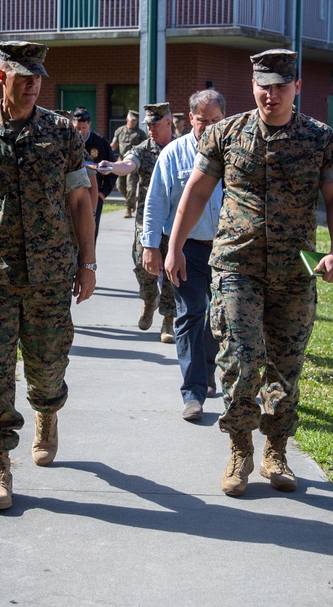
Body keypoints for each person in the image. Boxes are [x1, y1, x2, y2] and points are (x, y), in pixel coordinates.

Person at [164, 49, 333, 497]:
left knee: (285, 368)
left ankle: (276, 450)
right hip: (236, 266)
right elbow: (196, 191)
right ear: (252, 88)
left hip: (294, 272)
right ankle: (240, 448)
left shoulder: (321, 138)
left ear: (297, 88)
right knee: (241, 359)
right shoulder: (226, 133)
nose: (271, 95)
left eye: (281, 87)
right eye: (264, 87)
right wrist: (172, 247)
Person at [0, 41, 97, 512]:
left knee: (48, 368)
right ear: (1, 76)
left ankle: (47, 412)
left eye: (37, 77)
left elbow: (80, 201)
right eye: (22, 76)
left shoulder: (64, 135)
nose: (31, 85)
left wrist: (87, 263)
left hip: (51, 275)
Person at [141, 90, 226, 421]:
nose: (207, 127)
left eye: (215, 121)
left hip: (224, 249)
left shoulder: (234, 154)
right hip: (185, 247)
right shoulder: (173, 154)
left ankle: (207, 372)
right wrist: (151, 246)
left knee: (219, 315)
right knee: (190, 313)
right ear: (190, 118)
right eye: (201, 120)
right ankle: (192, 394)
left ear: (225, 118)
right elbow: (157, 201)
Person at [97, 103, 176, 343]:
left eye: (155, 124)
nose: (150, 128)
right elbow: (129, 164)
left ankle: (168, 320)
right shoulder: (143, 149)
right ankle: (149, 300)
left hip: (175, 220)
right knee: (143, 266)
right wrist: (112, 167)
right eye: (148, 124)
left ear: (168, 123)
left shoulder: (181, 147)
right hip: (148, 219)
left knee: (172, 271)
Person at [71, 107, 115, 241]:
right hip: (72, 194)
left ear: (89, 124)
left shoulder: (100, 143)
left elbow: (112, 168)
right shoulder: (67, 141)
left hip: (93, 195)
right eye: (77, 128)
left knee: (89, 234)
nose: (81, 131)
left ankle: (88, 261)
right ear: (72, 124)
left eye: (84, 128)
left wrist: (103, 193)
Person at [110, 110, 146, 219]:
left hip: (133, 162)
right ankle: (131, 201)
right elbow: (113, 145)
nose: (134, 122)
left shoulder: (140, 133)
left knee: (131, 186)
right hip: (121, 161)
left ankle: (128, 209)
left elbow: (145, 147)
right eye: (132, 120)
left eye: (136, 121)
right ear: (127, 119)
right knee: (120, 185)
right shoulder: (119, 131)